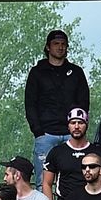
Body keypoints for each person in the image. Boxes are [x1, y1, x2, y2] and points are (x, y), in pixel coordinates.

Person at [25, 28, 90, 182]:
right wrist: (38, 130)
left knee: (77, 179)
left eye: (63, 44)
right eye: (56, 44)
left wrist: (78, 126)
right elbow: (30, 103)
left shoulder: (76, 72)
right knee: (43, 181)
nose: (60, 47)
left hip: (72, 133)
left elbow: (84, 103)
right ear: (48, 47)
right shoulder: (37, 72)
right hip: (46, 134)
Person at [43, 108, 101, 200]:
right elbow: (46, 183)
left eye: (80, 123)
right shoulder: (56, 152)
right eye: (73, 123)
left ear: (86, 125)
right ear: (68, 126)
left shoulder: (98, 153)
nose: (77, 126)